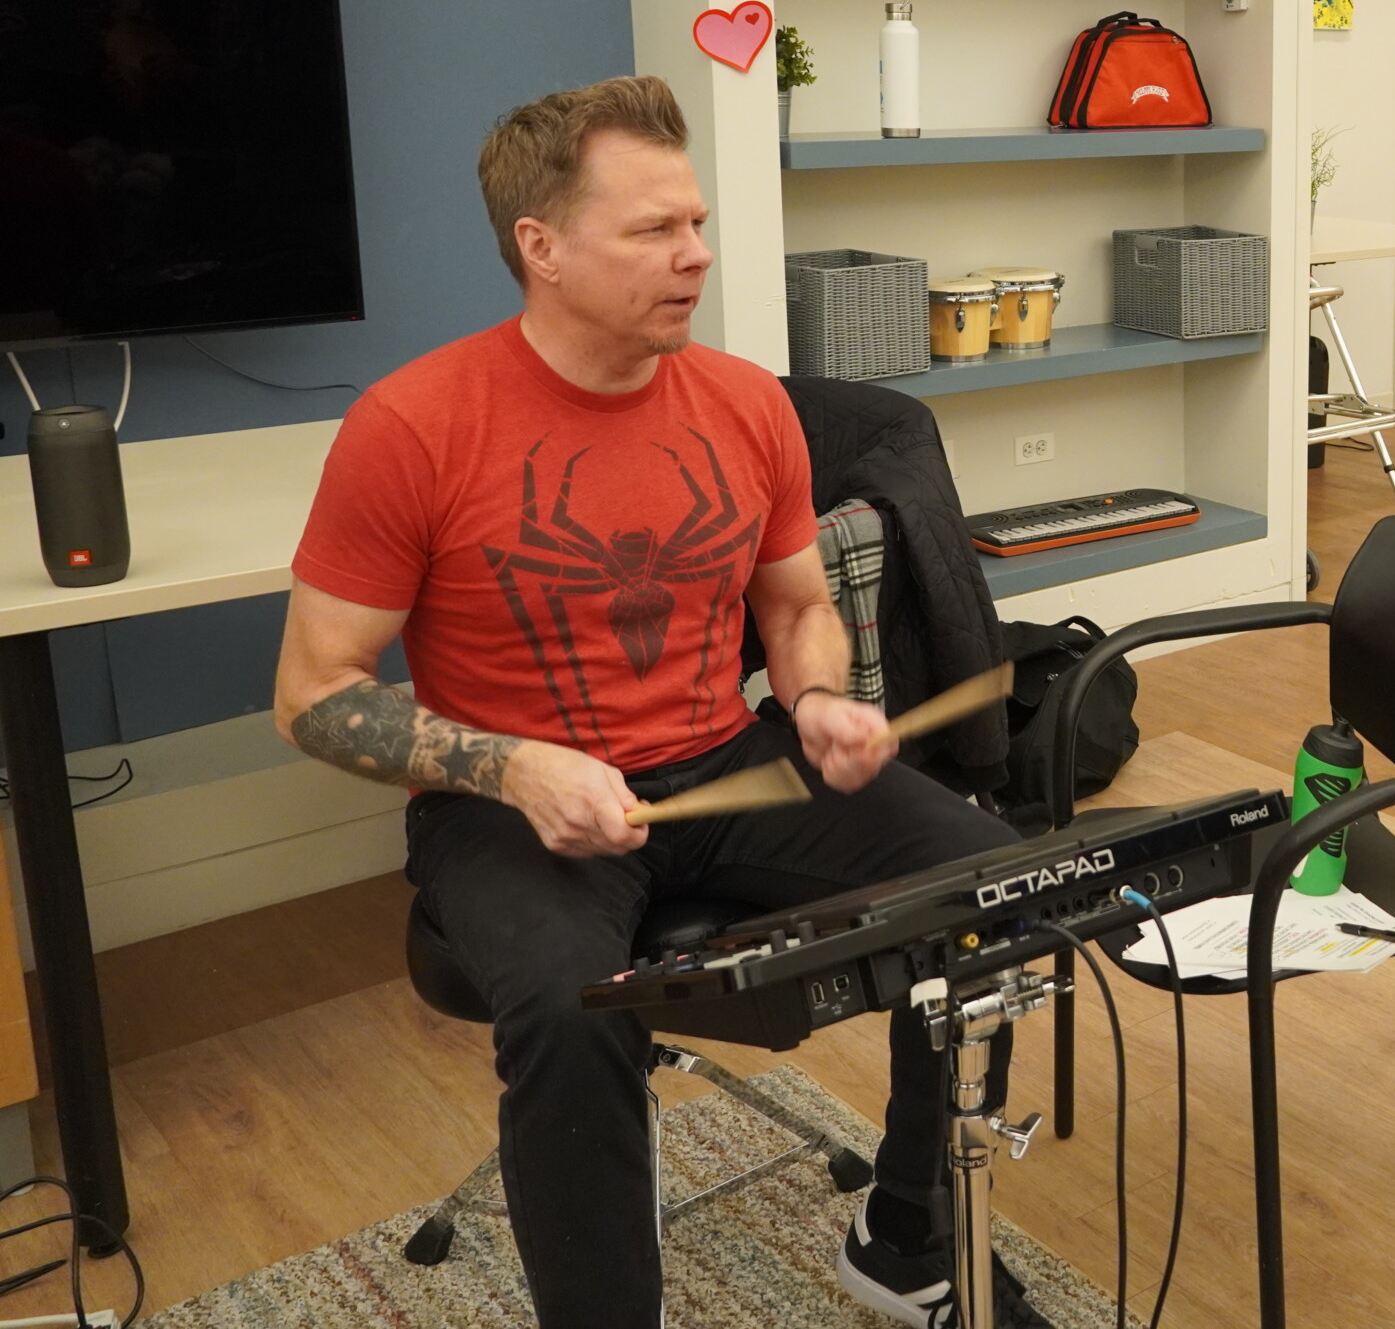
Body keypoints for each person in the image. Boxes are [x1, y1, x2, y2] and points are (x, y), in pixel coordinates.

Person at [273, 75, 1046, 1329]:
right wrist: (518, 770)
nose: (694, 256)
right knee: (576, 1018)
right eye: (652, 232)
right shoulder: (410, 427)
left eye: (694, 224)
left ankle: (905, 1233)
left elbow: (796, 607)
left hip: (719, 758)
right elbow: (312, 694)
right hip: (507, 807)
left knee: (992, 894)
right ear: (542, 247)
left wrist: (816, 703)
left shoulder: (746, 405)